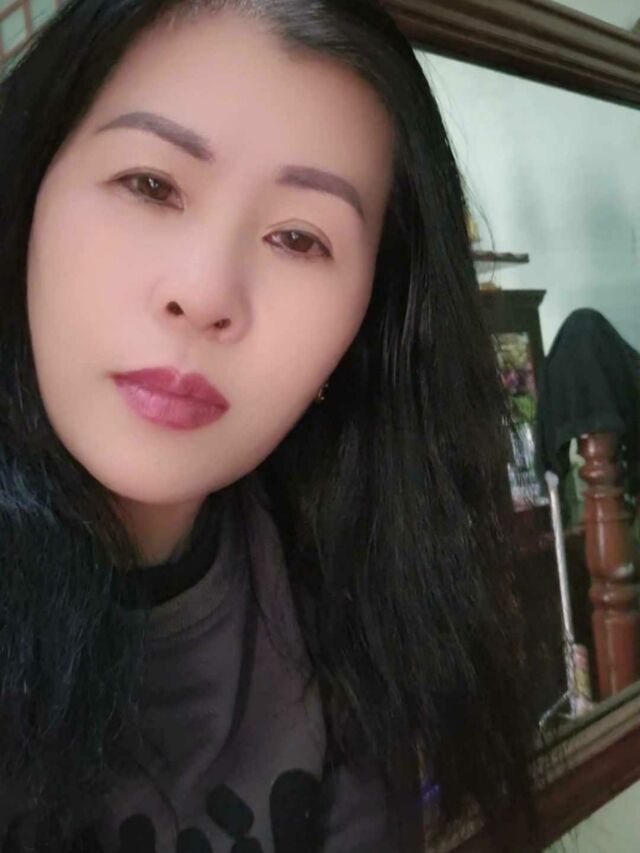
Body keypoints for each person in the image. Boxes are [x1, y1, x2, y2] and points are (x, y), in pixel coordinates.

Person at [0, 1, 541, 850]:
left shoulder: (347, 606)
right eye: (150, 184)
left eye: (298, 238)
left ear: (367, 321)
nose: (205, 292)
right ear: (30, 186)